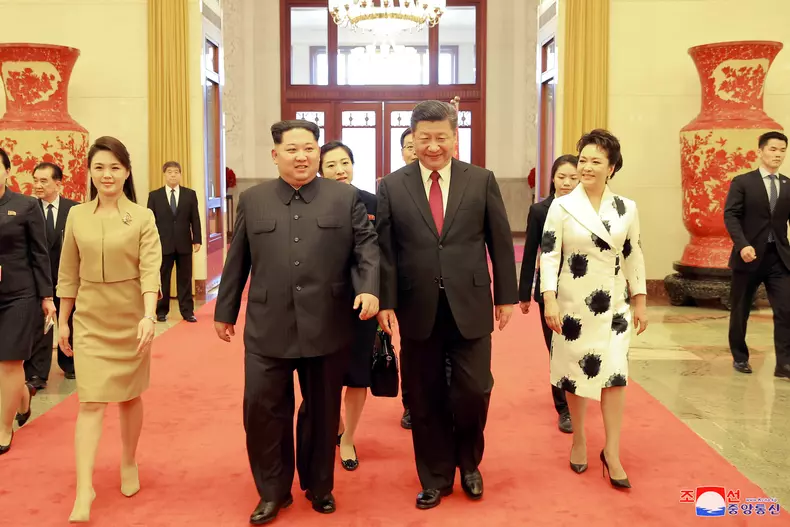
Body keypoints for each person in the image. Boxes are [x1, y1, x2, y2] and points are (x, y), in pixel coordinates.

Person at [213, 120, 379, 525]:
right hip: (268, 325)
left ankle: (319, 486)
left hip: (328, 322)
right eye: (292, 149)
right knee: (262, 410)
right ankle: (272, 492)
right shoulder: (254, 201)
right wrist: (225, 311)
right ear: (275, 155)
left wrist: (369, 287)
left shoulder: (344, 198)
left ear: (317, 153)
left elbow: (366, 248)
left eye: (309, 148)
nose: (302, 156)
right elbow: (238, 261)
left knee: (322, 411)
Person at [376, 100, 518, 509]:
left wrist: (505, 295)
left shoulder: (481, 180)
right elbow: (385, 250)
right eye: (425, 138)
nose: (433, 146)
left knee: (473, 390)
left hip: (470, 303)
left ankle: (469, 464)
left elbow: (500, 240)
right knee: (424, 395)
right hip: (416, 305)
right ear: (412, 139)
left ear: (455, 138)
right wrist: (386, 300)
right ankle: (435, 475)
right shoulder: (392, 185)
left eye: (441, 137)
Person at [57, 136, 162, 522]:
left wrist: (149, 316)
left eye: (115, 167)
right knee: (90, 402)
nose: (107, 174)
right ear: (90, 172)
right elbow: (67, 272)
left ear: (127, 171)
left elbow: (151, 270)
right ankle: (85, 487)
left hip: (131, 318)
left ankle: (129, 460)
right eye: (100, 167)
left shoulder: (142, 217)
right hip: (89, 318)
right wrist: (63, 323)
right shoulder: (77, 216)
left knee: (130, 396)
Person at [540, 129, 647, 489]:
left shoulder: (626, 208)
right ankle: (580, 438)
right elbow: (550, 252)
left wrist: (640, 301)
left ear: (611, 167)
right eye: (582, 159)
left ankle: (612, 451)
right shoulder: (563, 205)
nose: (585, 166)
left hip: (614, 305)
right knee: (576, 374)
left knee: (616, 375)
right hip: (573, 305)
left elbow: (633, 253)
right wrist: (549, 298)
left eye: (595, 161)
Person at [319, 141, 377, 471]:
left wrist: (382, 299)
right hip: (322, 304)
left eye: (345, 163)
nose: (340, 170)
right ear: (320, 170)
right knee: (324, 374)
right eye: (331, 165)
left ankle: (349, 437)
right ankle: (336, 427)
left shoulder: (372, 202)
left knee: (357, 375)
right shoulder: (311, 203)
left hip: (362, 301)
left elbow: (382, 253)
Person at [0, 148, 56, 454]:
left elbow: (40, 253)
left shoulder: (25, 206)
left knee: (9, 361)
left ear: (7, 171)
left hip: (19, 295)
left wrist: (46, 296)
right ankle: (22, 396)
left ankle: (4, 428)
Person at [518, 154, 579, 434]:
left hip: (582, 291)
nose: (567, 183)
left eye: (573, 178)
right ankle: (563, 408)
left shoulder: (587, 210)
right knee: (556, 349)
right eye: (561, 177)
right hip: (549, 290)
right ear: (552, 178)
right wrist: (524, 293)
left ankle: (578, 394)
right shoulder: (541, 210)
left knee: (576, 347)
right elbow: (530, 252)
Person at [723, 131, 790, 378]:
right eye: (773, 149)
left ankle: (784, 364)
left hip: (779, 258)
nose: (778, 154)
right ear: (760, 152)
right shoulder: (743, 182)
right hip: (748, 256)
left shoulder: (787, 185)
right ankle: (740, 357)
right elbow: (731, 215)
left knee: (786, 309)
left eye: (782, 150)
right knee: (740, 311)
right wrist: (743, 245)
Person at [25, 162, 79, 389]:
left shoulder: (74, 210)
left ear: (58, 183)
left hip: (66, 277)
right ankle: (38, 373)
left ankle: (71, 364)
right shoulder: (27, 208)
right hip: (38, 279)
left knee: (71, 321)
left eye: (43, 181)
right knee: (41, 325)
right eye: (35, 180)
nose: (38, 185)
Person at [147, 161, 202, 323]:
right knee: (163, 278)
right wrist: (150, 242)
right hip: (162, 244)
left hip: (184, 243)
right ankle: (161, 311)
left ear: (180, 174)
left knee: (185, 278)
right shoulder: (154, 196)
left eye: (176, 172)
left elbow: (195, 219)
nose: (173, 175)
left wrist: (197, 239)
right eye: (169, 172)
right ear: (164, 175)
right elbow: (150, 222)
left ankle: (187, 311)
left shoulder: (189, 194)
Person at [398, 127, 417, 430]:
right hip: (408, 287)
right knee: (412, 350)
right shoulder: (392, 188)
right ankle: (411, 403)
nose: (415, 150)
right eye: (409, 146)